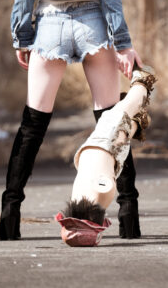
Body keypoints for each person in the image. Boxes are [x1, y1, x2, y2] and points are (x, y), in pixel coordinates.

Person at [1, 0, 143, 240]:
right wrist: (124, 44)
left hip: (49, 23)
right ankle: (129, 215)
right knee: (112, 123)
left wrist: (22, 34)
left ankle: (9, 214)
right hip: (93, 22)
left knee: (33, 125)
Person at [57, 65, 156, 247]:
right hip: (102, 151)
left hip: (105, 145)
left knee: (128, 107)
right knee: (122, 129)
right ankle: (137, 121)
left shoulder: (97, 194)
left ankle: (142, 80)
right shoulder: (78, 199)